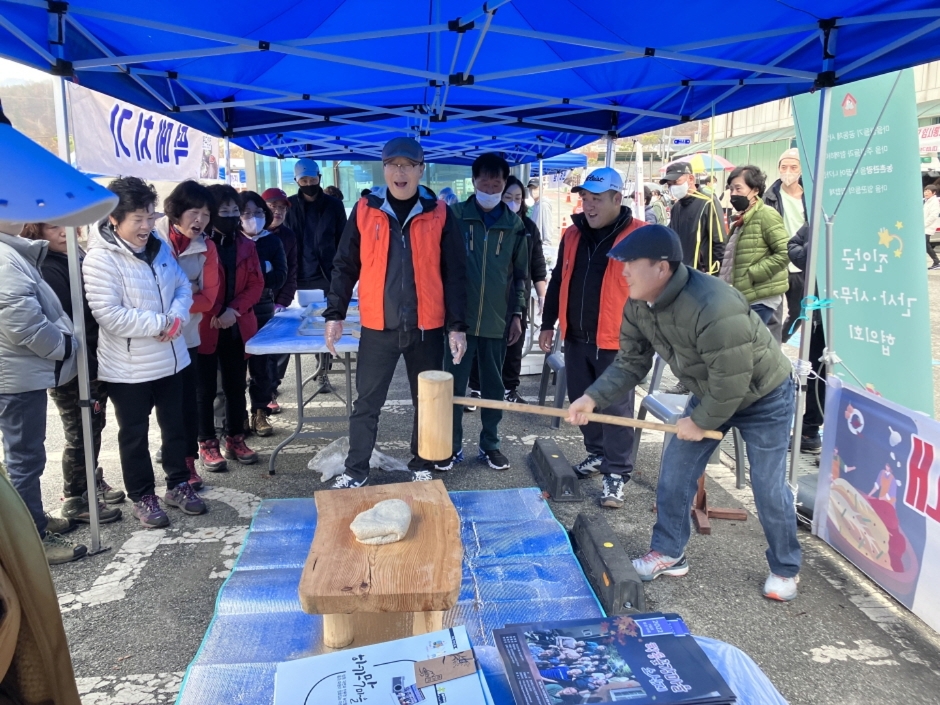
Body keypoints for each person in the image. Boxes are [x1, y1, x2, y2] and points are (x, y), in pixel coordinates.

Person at [567, 224, 801, 601]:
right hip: (709, 392)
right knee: (675, 474)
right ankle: (669, 553)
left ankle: (785, 568)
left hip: (763, 397)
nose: (623, 271)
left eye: (630, 264)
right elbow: (630, 363)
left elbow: (733, 379)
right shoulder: (638, 303)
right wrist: (592, 398)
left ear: (662, 268)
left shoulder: (714, 304)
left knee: (768, 486)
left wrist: (701, 421)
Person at [324, 137, 467, 488]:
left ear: (421, 169)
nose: (400, 172)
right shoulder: (364, 210)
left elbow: (456, 273)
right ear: (383, 168)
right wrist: (335, 313)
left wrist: (456, 325)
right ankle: (356, 470)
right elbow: (344, 265)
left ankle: (422, 463)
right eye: (392, 164)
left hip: (426, 327)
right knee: (367, 404)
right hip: (377, 325)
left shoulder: (440, 213)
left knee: (427, 401)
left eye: (408, 165)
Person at [84, 177, 207, 529]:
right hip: (128, 366)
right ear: (114, 218)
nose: (146, 225)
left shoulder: (159, 244)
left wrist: (178, 317)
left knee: (176, 425)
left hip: (172, 356)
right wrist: (159, 323)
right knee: (134, 433)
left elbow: (182, 285)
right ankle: (143, 495)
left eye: (150, 216)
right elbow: (108, 314)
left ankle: (178, 483)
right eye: (137, 218)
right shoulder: (100, 258)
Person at [540, 167, 644, 508]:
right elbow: (558, 279)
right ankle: (597, 454)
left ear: (617, 198)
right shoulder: (572, 234)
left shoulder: (639, 236)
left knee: (615, 407)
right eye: (585, 198)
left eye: (597, 199)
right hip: (576, 336)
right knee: (580, 401)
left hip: (618, 341)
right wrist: (547, 322)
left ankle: (616, 473)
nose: (589, 206)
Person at [19, 223, 124, 525]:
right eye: (53, 228)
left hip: (90, 358)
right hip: (72, 365)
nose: (64, 232)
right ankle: (75, 497)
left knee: (93, 425)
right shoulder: (48, 267)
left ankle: (89, 481)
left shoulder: (76, 255)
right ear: (36, 232)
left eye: (66, 226)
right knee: (80, 430)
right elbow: (68, 318)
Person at [0, 223, 85, 563]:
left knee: (23, 457)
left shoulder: (11, 252)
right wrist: (64, 346)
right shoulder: (5, 259)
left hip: (15, 372)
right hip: (14, 376)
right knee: (24, 458)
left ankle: (29, 520)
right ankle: (31, 539)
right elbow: (23, 322)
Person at [441, 153, 528, 471]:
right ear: (474, 181)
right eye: (484, 181)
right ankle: (449, 447)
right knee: (451, 385)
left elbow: (520, 274)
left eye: (497, 182)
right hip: (457, 322)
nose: (490, 187)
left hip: (496, 321)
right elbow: (441, 267)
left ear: (505, 183)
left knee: (493, 387)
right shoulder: (455, 215)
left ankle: (490, 444)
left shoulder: (514, 224)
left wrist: (517, 313)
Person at [154, 181, 221, 492]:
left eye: (206, 214)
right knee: (160, 405)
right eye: (194, 212)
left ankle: (186, 462)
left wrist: (177, 302)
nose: (200, 220)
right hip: (151, 336)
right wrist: (186, 291)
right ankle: (169, 461)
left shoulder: (207, 246)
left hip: (188, 336)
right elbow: (149, 295)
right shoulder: (152, 239)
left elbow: (208, 299)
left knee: (187, 403)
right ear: (176, 212)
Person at [195, 185, 264, 471]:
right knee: (205, 388)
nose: (232, 217)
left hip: (236, 324)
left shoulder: (246, 244)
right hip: (204, 325)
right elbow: (190, 288)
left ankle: (235, 436)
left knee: (237, 385)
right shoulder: (198, 245)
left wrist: (233, 311)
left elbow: (256, 284)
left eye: (235, 212)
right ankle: (206, 442)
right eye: (224, 212)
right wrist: (217, 311)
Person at [467, 176, 547, 407]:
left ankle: (509, 387)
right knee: (480, 343)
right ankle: (477, 389)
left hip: (516, 295)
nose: (513, 202)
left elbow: (537, 264)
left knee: (514, 341)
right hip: (488, 296)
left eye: (518, 198)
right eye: (508, 197)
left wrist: (542, 296)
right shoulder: (489, 224)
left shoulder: (528, 227)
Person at [284, 158, 347, 390]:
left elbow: (343, 240)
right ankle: (274, 382)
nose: (308, 184)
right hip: (298, 274)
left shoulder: (333, 205)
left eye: (312, 179)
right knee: (292, 326)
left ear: (319, 178)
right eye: (303, 180)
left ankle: (323, 372)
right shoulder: (289, 205)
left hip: (326, 274)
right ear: (297, 181)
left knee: (325, 324)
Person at [718, 165, 789, 336]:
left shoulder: (766, 215)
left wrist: (753, 274)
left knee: (747, 344)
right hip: (743, 297)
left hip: (760, 298)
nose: (733, 193)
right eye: (731, 189)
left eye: (738, 188)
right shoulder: (740, 220)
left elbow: (785, 252)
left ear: (755, 190)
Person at [239, 191, 287, 437]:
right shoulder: (229, 239)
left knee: (262, 366)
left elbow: (280, 276)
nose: (253, 218)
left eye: (258, 213)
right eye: (247, 213)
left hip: (263, 308)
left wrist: (260, 274)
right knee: (233, 368)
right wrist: (260, 271)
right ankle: (234, 421)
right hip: (235, 311)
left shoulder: (272, 241)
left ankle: (260, 413)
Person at [260, 187, 298, 414]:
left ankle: (271, 392)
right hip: (252, 303)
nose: (278, 211)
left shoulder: (289, 236)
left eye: (282, 207)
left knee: (280, 347)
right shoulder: (248, 233)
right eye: (273, 206)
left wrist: (282, 302)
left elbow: (291, 272)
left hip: (277, 301)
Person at [764, 148, 806, 341]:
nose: (788, 171)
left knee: (799, 312)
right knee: (772, 312)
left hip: (800, 262)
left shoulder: (811, 197)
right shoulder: (769, 198)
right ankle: (772, 350)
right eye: (784, 166)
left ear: (801, 169)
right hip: (776, 262)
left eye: (793, 167)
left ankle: (780, 340)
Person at [660, 160, 725, 275]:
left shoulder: (708, 202)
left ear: (690, 179)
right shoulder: (676, 208)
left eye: (676, 182)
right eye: (669, 184)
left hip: (702, 275)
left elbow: (719, 242)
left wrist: (717, 275)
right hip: (680, 273)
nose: (672, 187)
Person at [528, 177, 555, 245]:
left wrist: (546, 245)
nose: (532, 191)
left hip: (540, 246)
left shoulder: (544, 205)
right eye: (531, 189)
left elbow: (547, 228)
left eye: (535, 188)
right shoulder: (536, 204)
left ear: (542, 189)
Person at [924, 184, 940, 270]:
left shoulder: (934, 202)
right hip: (925, 227)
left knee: (925, 245)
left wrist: (923, 224)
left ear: (933, 193)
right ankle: (937, 262)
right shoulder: (927, 201)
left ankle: (937, 261)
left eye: (928, 191)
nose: (926, 192)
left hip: (927, 227)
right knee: (925, 245)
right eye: (925, 191)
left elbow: (933, 216)